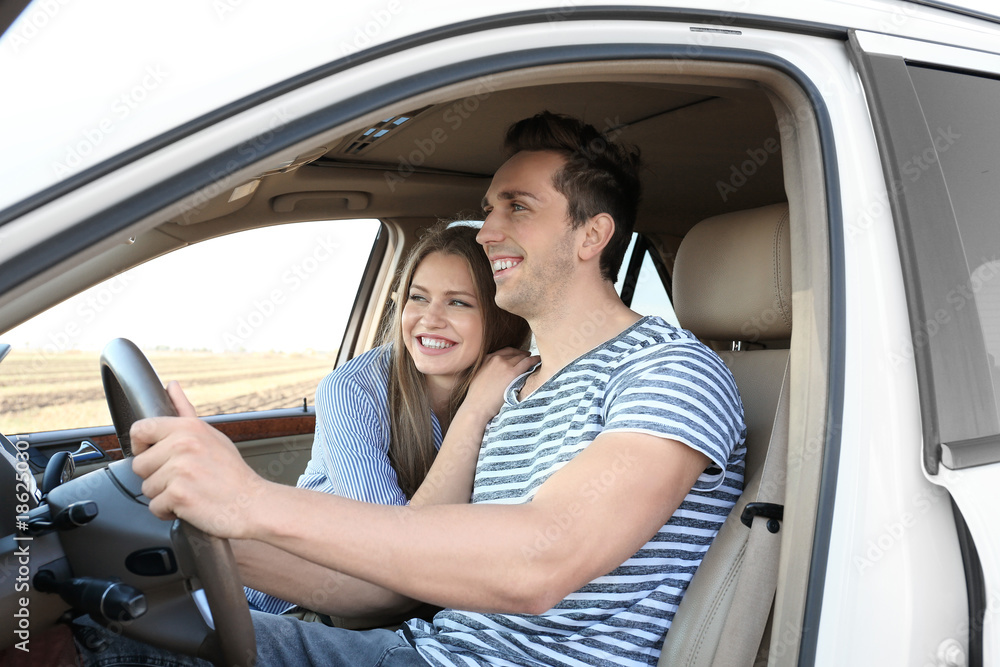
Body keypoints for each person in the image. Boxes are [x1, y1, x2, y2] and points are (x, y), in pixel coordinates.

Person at [75, 111, 746, 667]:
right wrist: (191, 537)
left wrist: (248, 498)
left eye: (519, 207)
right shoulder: (515, 390)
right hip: (429, 649)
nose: (488, 231)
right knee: (119, 624)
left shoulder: (668, 370)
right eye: (489, 208)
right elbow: (389, 573)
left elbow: (542, 560)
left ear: (592, 234)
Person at [240, 222, 532, 621]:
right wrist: (475, 412)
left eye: (458, 302)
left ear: (501, 316)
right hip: (309, 603)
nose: (429, 319)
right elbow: (394, 555)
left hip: (429, 610)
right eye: (418, 298)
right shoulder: (351, 389)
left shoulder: (521, 389)